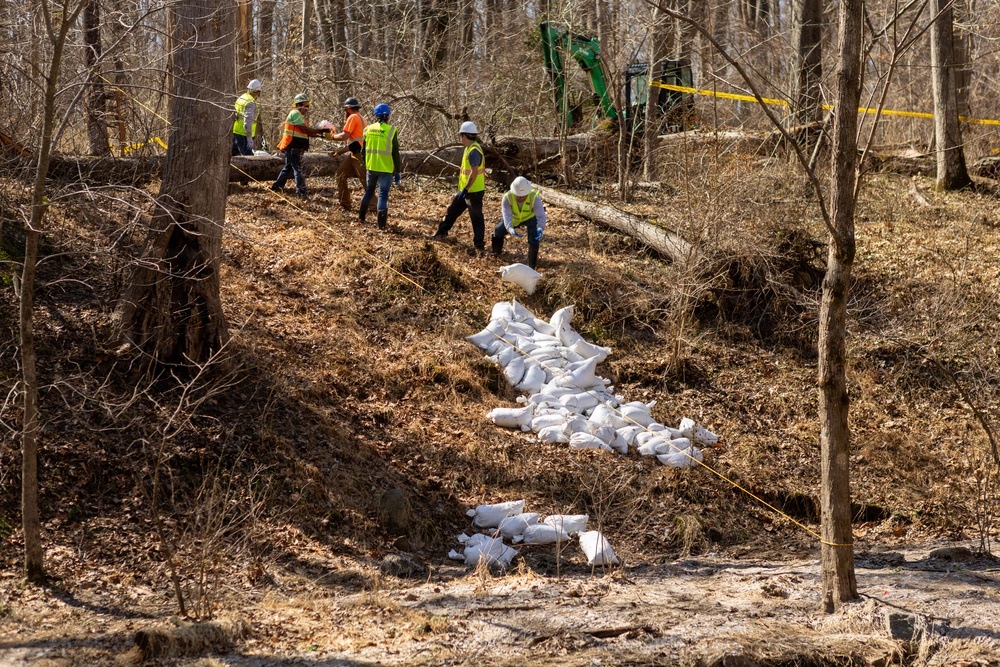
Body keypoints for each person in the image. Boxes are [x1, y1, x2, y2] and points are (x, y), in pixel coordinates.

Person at [430, 121, 487, 256]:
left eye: (461, 135)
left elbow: (473, 172)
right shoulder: (471, 148)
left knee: (476, 219)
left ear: (465, 136)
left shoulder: (473, 151)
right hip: (466, 191)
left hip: (473, 191)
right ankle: (440, 234)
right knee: (452, 212)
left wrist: (466, 189)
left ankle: (479, 247)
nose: (460, 138)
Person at [270, 93, 329, 200]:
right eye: (305, 106)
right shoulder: (295, 114)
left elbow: (306, 133)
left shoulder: (300, 118)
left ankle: (276, 187)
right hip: (292, 146)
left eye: (308, 106)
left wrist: (321, 135)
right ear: (299, 105)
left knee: (288, 168)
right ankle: (301, 193)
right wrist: (319, 130)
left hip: (294, 147)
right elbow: (304, 130)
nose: (307, 108)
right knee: (299, 169)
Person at [358, 103, 401, 230]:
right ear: (388, 116)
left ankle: (361, 217)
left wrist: (366, 163)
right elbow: (395, 154)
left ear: (376, 116)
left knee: (369, 192)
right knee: (382, 195)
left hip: (371, 167)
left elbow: (363, 151)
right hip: (386, 169)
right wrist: (397, 171)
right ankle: (381, 225)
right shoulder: (392, 131)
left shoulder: (368, 129)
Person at [492, 176, 546, 269]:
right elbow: (507, 216)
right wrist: (510, 228)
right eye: (518, 195)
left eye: (523, 195)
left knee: (534, 239)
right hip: (514, 219)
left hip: (530, 219)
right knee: (498, 231)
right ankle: (496, 254)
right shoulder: (507, 197)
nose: (521, 198)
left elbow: (541, 215)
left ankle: (531, 266)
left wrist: (540, 227)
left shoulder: (534, 197)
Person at [331, 96, 367, 211]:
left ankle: (373, 208)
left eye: (345, 110)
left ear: (348, 109)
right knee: (340, 174)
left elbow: (344, 136)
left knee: (365, 181)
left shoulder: (352, 117)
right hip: (354, 153)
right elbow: (354, 143)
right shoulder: (361, 118)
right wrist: (340, 152)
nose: (345, 112)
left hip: (359, 155)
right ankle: (345, 204)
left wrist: (330, 137)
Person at [232, 79, 263, 156]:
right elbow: (248, 121)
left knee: (234, 156)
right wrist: (249, 138)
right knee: (249, 158)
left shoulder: (241, 98)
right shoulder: (251, 102)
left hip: (236, 132)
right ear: (257, 92)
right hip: (244, 134)